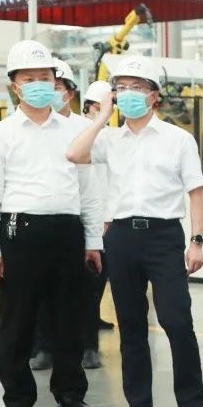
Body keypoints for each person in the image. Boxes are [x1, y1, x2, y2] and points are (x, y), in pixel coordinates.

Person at [65, 55, 203, 407]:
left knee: (177, 320)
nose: (128, 93)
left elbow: (196, 192)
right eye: (122, 88)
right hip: (121, 237)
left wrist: (196, 241)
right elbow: (74, 154)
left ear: (154, 96)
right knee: (130, 325)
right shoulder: (109, 140)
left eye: (137, 87)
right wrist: (102, 117)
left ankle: (193, 404)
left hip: (164, 237)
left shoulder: (178, 140)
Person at [0, 40, 102, 407]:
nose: (38, 84)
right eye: (29, 79)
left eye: (44, 77)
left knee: (70, 318)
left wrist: (93, 240)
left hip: (67, 230)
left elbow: (89, 189)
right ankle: (17, 399)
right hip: (20, 231)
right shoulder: (1, 134)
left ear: (55, 81)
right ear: (14, 86)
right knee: (18, 320)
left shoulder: (75, 130)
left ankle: (70, 395)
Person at [31, 62, 108, 372]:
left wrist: (97, 226)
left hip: (78, 221)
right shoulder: (31, 128)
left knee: (85, 290)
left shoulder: (83, 129)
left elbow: (95, 182)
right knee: (42, 291)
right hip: (43, 222)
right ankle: (43, 348)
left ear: (70, 92)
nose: (49, 91)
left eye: (56, 86)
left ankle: (88, 346)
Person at [79, 80, 116, 354]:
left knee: (100, 277)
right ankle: (85, 336)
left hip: (108, 218)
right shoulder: (81, 134)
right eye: (99, 107)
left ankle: (92, 321)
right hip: (83, 217)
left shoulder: (112, 136)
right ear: (88, 106)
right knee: (86, 281)